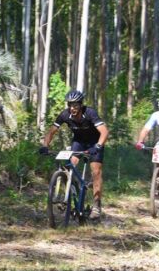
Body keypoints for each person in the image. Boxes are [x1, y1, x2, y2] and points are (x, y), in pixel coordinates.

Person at [40, 90, 110, 219]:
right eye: (70, 105)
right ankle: (71, 191)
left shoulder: (90, 113)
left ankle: (96, 205)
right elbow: (51, 131)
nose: (72, 108)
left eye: (76, 105)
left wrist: (98, 146)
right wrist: (45, 146)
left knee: (96, 172)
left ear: (81, 105)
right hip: (78, 142)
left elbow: (104, 132)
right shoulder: (65, 115)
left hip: (95, 142)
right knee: (70, 166)